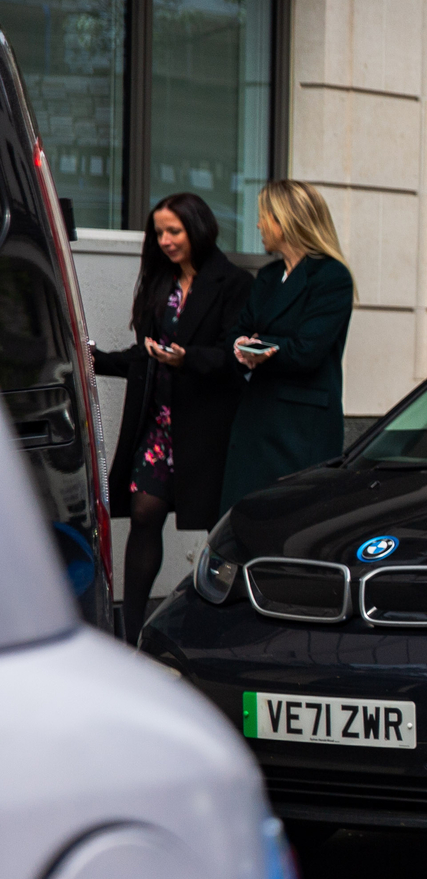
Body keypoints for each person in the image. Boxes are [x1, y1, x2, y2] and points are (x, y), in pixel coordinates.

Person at [90, 192, 253, 639]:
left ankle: (218, 630)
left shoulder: (233, 282)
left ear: (197, 229)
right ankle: (132, 631)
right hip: (156, 423)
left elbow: (235, 357)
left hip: (205, 427)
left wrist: (189, 359)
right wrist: (93, 359)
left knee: (213, 528)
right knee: (144, 513)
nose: (164, 240)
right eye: (158, 232)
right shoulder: (159, 283)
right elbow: (146, 357)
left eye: (173, 231)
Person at [222, 180, 356, 515]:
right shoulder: (268, 275)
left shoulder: (331, 276)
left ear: (287, 220)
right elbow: (238, 332)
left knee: (290, 522)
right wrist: (242, 346)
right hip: (257, 419)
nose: (257, 225)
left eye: (264, 216)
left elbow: (307, 350)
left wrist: (258, 347)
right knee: (244, 520)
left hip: (300, 429)